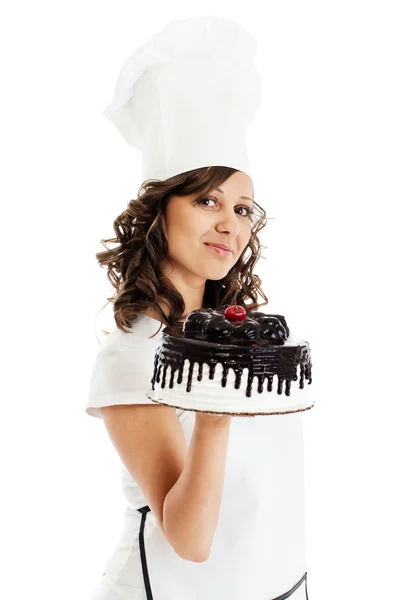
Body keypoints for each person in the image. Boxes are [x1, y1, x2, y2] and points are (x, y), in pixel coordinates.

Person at [86, 16, 310, 600]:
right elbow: (190, 541)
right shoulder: (131, 358)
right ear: (161, 211)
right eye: (207, 199)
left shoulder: (253, 341)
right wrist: (216, 407)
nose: (228, 225)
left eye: (243, 209)